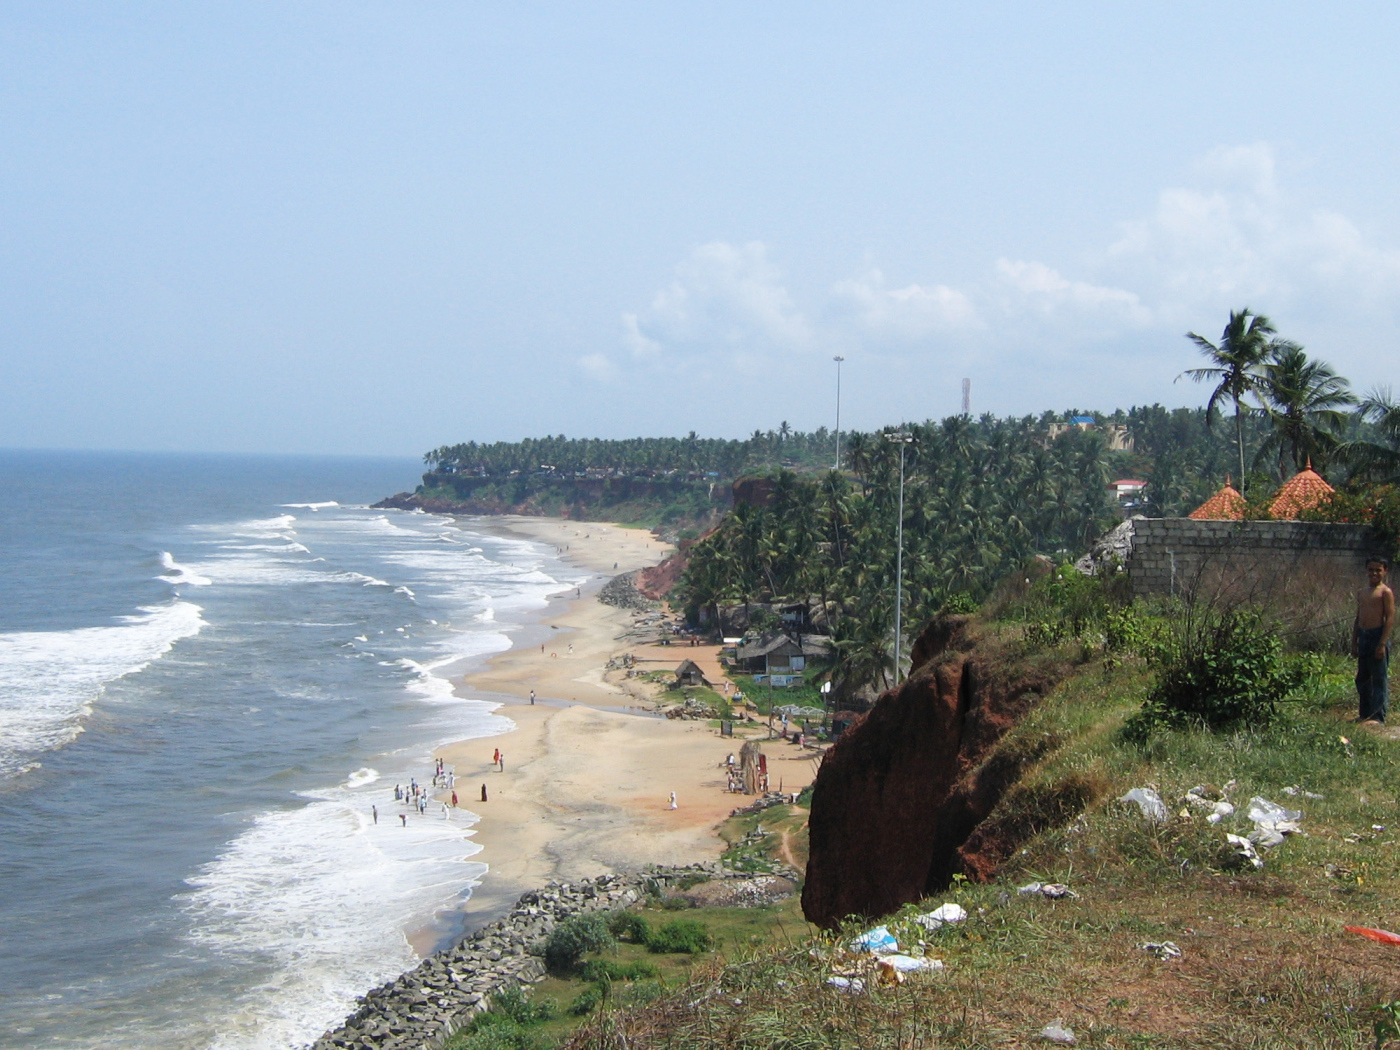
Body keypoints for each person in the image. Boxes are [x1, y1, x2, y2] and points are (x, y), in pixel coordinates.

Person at [1354, 557, 1395, 724]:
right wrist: (1354, 642)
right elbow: (1358, 618)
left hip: (1377, 636)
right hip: (1363, 637)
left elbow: (1390, 618)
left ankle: (1378, 717)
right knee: (1362, 678)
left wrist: (1382, 643)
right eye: (1371, 570)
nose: (1374, 573)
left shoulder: (1385, 592)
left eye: (1378, 570)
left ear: (1384, 571)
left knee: (1379, 678)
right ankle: (1365, 714)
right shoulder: (1362, 592)